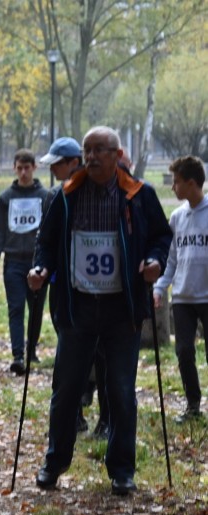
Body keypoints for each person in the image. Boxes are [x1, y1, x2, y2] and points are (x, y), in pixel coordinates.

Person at [29, 126, 172, 496]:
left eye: (99, 150)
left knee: (122, 391)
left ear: (117, 154)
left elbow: (160, 236)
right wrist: (41, 269)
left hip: (121, 310)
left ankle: (122, 470)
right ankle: (55, 461)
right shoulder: (65, 197)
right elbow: (45, 243)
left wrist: (155, 261)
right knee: (66, 390)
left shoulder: (139, 196)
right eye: (87, 150)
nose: (91, 157)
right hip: (77, 309)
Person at [41, 137, 107, 437]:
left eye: (58, 162)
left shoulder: (95, 192)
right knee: (68, 355)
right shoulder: (54, 196)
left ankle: (104, 415)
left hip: (99, 289)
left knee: (102, 355)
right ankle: (74, 415)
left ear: (73, 162)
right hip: (63, 288)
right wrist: (41, 268)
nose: (53, 167)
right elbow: (46, 238)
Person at [153, 156, 208, 424]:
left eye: (176, 183)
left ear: (191, 183)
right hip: (183, 297)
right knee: (184, 350)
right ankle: (193, 405)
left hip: (207, 297)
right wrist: (160, 287)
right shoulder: (177, 217)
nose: (173, 188)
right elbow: (171, 258)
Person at [0, 149, 49, 375]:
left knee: (36, 309)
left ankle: (31, 349)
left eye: (27, 167)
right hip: (13, 261)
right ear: (14, 168)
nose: (23, 172)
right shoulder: (5, 198)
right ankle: (18, 355)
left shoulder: (45, 196)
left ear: (34, 167)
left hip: (38, 261)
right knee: (16, 309)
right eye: (19, 168)